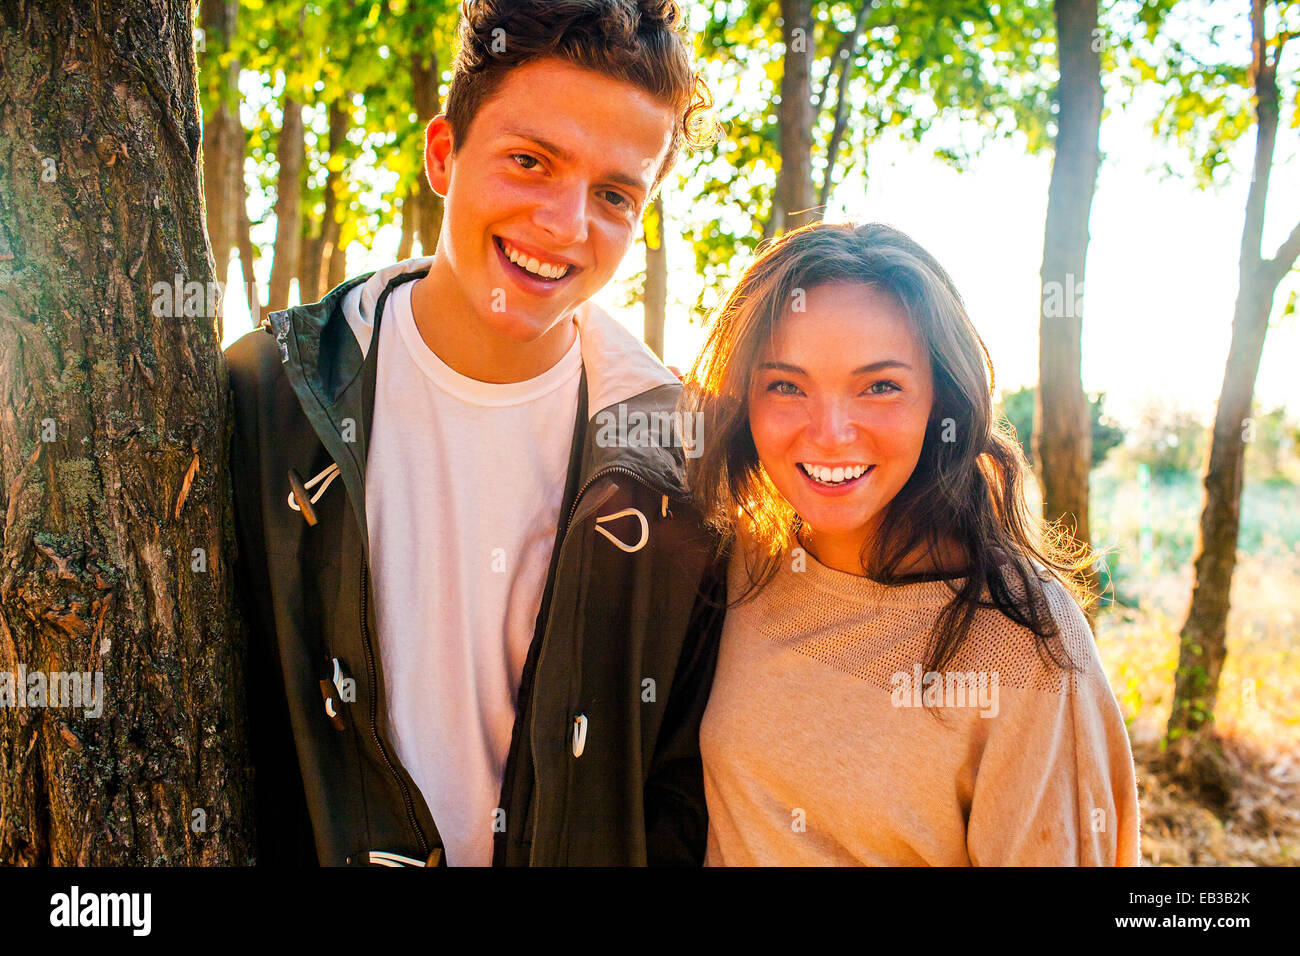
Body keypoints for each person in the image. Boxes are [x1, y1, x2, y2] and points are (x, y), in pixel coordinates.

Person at [226, 0, 723, 867]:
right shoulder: (265, 395)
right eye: (530, 161)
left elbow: (681, 785)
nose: (566, 225)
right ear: (443, 155)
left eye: (613, 194)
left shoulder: (676, 464)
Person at [682, 222, 1141, 866]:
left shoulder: (1025, 647)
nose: (831, 433)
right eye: (786, 384)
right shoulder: (745, 560)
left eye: (879, 386)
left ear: (941, 400)